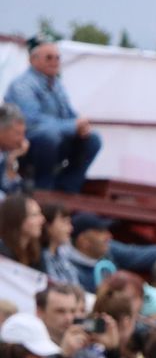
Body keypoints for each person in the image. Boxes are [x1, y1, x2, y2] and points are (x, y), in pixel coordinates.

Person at [5, 37, 100, 193]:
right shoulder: (22, 85)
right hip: (26, 146)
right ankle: (42, 187)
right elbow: (31, 122)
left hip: (54, 142)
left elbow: (69, 114)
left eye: (57, 57)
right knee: (49, 136)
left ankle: (67, 187)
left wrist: (81, 126)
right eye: (49, 57)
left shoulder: (57, 85)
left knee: (93, 139)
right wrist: (72, 126)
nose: (54, 61)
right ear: (32, 60)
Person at [62, 212, 156, 293]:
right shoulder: (65, 267)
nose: (109, 236)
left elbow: (135, 255)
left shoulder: (108, 249)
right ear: (84, 241)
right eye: (101, 231)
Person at [0, 192, 43, 269]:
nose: (42, 220)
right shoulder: (3, 254)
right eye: (34, 215)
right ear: (17, 218)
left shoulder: (34, 251)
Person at [0, 102, 26, 197]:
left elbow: (13, 190)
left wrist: (12, 159)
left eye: (24, 134)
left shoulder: (6, 154)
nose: (22, 140)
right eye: (18, 134)